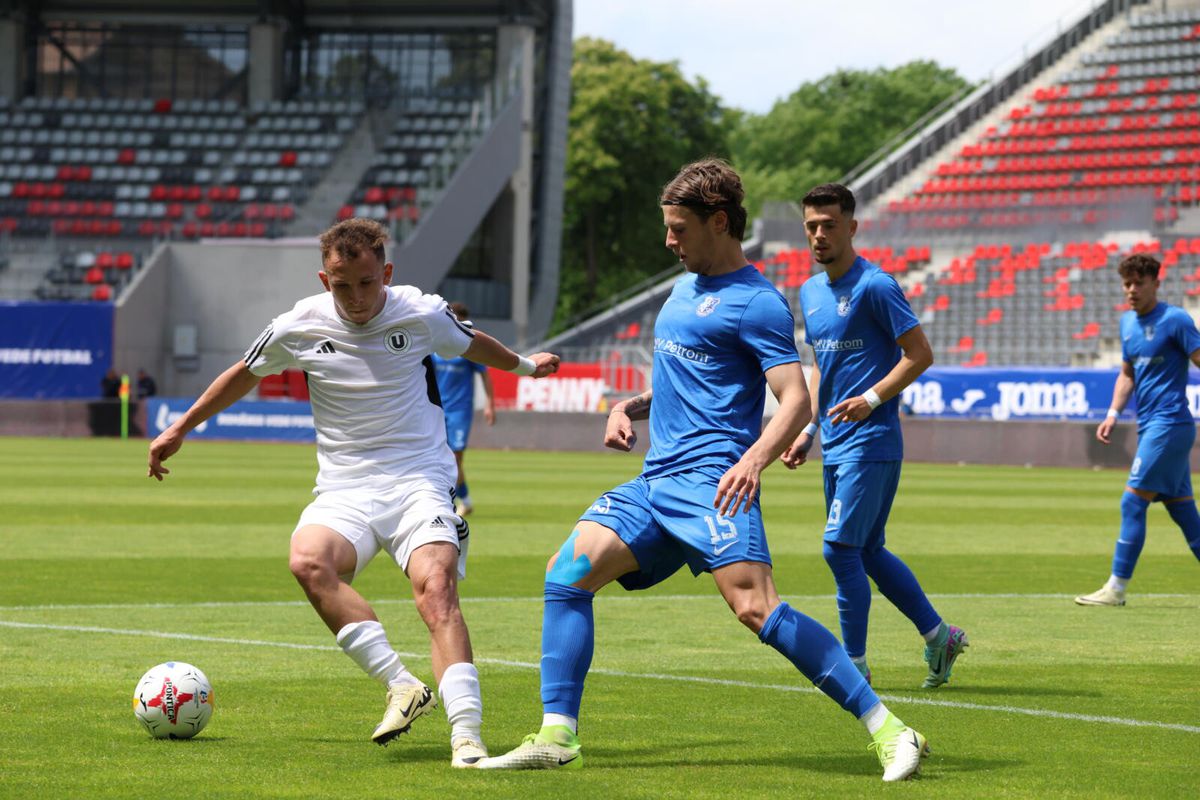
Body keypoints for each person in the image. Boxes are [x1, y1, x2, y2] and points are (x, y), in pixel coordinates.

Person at [480, 160, 930, 782]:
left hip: (713, 484)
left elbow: (794, 398)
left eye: (678, 229)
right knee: (568, 573)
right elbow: (680, 384)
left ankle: (890, 729)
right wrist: (627, 406)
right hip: (655, 481)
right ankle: (558, 735)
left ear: (718, 223)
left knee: (756, 610)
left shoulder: (759, 302)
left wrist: (752, 460)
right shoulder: (681, 288)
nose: (669, 241)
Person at [146, 218, 560, 767]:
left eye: (366, 283)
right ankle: (401, 685)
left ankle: (467, 739)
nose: (357, 297)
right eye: (342, 285)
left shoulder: (418, 311)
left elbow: (471, 344)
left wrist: (527, 366)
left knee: (436, 590)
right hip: (344, 485)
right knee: (308, 561)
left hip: (418, 479)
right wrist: (181, 426)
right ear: (325, 279)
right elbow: (244, 372)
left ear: (384, 273)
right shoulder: (298, 325)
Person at [781, 183, 967, 690]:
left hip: (874, 439)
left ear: (852, 227)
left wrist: (872, 399)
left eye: (829, 225)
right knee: (867, 551)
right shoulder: (811, 292)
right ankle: (939, 636)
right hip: (836, 442)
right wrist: (810, 428)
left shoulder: (876, 286)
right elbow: (825, 367)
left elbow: (919, 354)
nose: (819, 235)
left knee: (839, 549)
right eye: (811, 227)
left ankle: (854, 667)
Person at [1075, 253, 1200, 606]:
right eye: (1126, 283)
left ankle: (1115, 588)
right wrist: (1113, 413)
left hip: (1170, 424)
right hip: (1149, 426)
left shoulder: (1176, 320)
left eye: (1138, 283)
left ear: (1156, 284)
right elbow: (1128, 373)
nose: (1131, 290)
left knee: (1132, 502)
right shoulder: (1127, 324)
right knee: (1184, 512)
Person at [432, 302, 496, 516]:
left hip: (460, 410)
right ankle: (457, 500)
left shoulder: (467, 347)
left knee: (454, 458)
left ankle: (463, 501)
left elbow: (485, 374)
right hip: (436, 409)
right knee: (438, 456)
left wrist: (490, 404)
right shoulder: (435, 346)